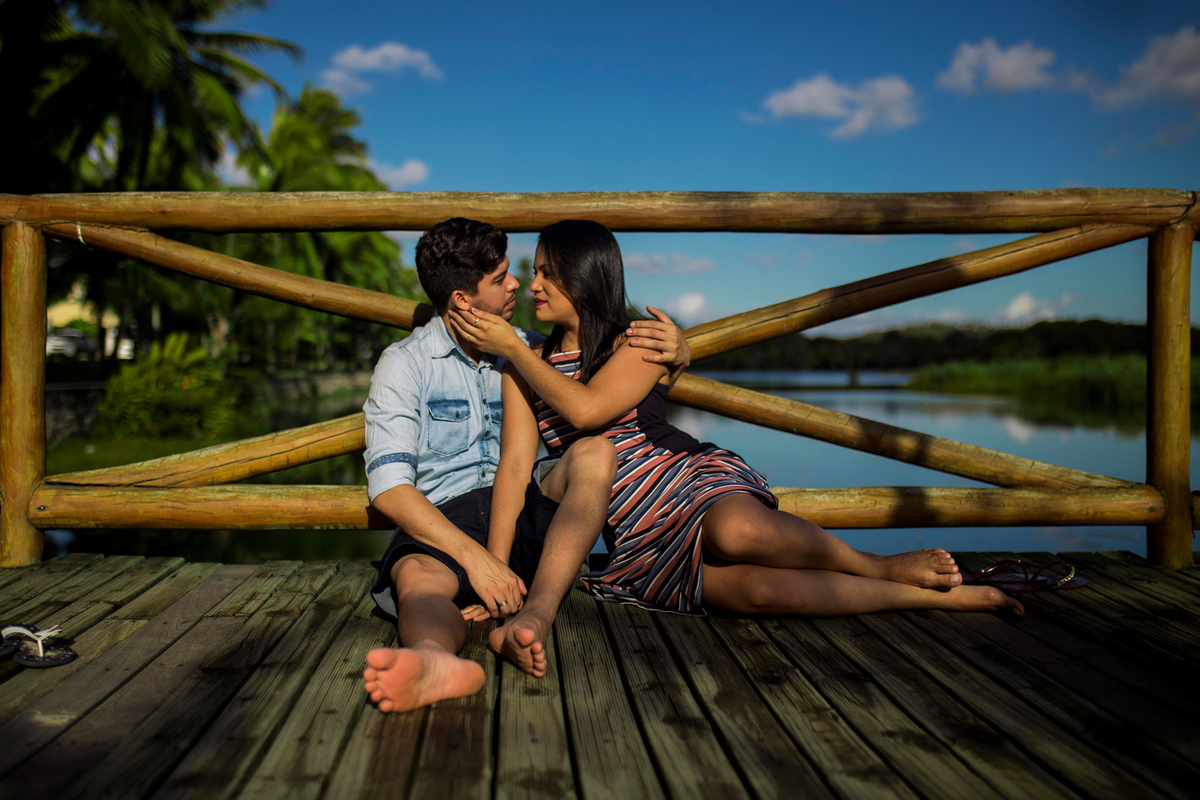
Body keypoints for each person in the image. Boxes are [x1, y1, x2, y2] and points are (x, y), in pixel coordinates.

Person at [451, 219, 1025, 622]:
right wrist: (495, 575)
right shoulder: (524, 366)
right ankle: (936, 600)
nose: (532, 286)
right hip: (636, 529)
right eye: (533, 272)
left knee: (738, 532)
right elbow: (514, 469)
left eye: (547, 272)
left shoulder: (639, 339)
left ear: (585, 274)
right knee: (759, 592)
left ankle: (879, 564)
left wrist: (517, 351)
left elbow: (587, 410)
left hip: (683, 479)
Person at [361, 218, 690, 712]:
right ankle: (430, 661)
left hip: (526, 515)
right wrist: (478, 561)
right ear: (462, 301)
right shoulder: (404, 364)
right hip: (445, 523)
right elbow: (388, 488)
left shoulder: (533, 347)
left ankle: (534, 614)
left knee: (596, 451)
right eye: (500, 278)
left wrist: (681, 355)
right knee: (419, 581)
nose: (518, 283)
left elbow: (603, 366)